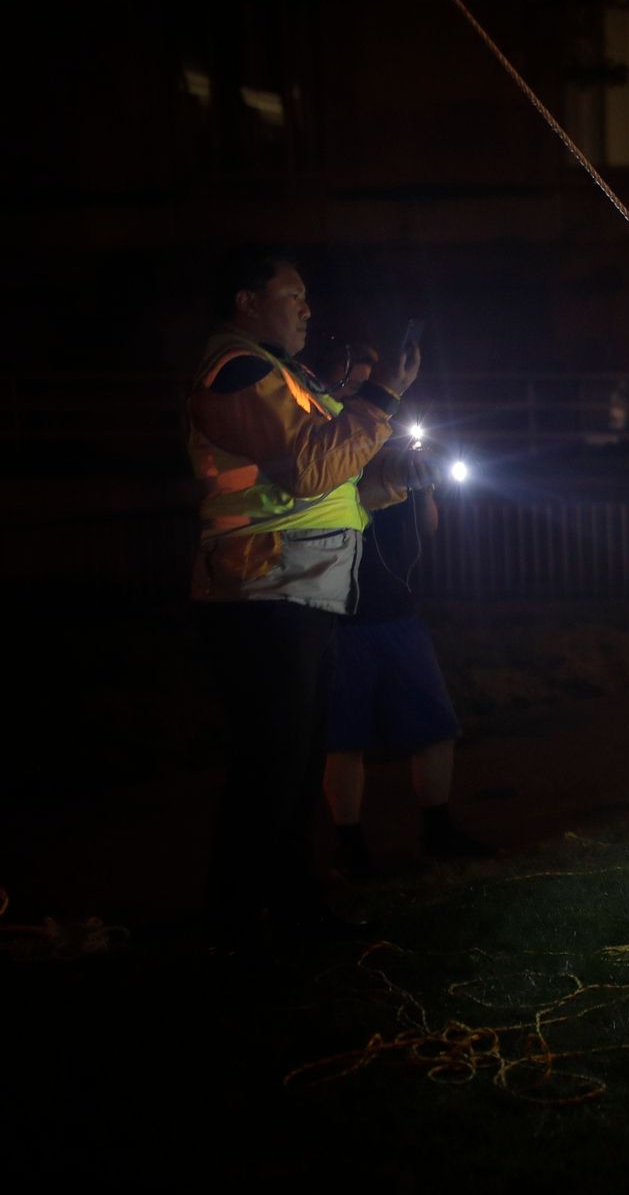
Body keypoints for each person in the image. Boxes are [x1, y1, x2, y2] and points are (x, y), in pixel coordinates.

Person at [186, 247, 431, 941]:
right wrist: (381, 396)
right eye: (291, 296)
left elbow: (337, 485)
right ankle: (235, 923)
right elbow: (309, 469)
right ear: (246, 302)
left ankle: (288, 906)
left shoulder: (281, 376)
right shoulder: (238, 370)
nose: (307, 308)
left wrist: (400, 482)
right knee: (271, 765)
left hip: (295, 591)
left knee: (293, 765)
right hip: (261, 591)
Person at [324, 471, 495, 875]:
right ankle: (350, 847)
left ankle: (437, 832)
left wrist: (424, 486)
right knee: (344, 740)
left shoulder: (400, 459)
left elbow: (427, 526)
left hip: (399, 612)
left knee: (435, 728)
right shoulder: (335, 450)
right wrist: (388, 483)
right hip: (341, 616)